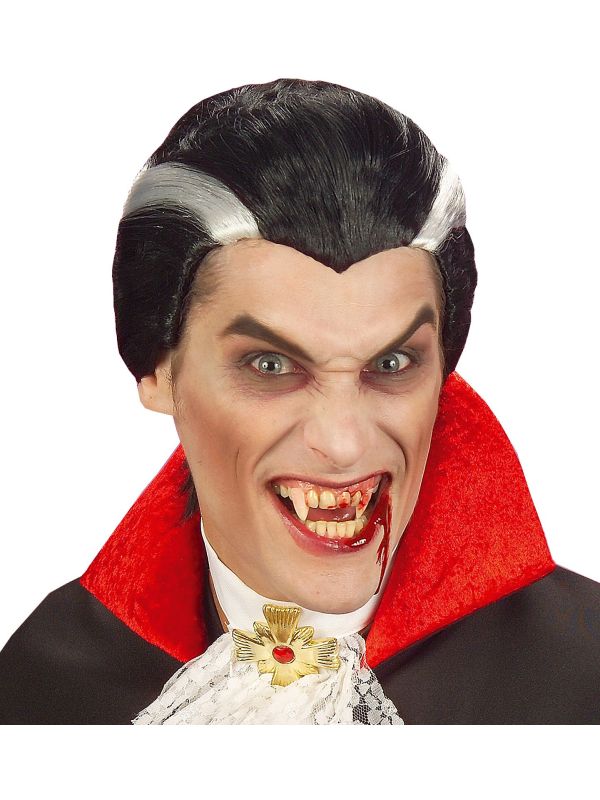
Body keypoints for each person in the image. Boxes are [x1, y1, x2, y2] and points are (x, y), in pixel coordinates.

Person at [0, 77, 598, 724]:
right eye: (270, 365)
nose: (342, 443)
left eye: (392, 363)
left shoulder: (579, 674)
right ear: (157, 370)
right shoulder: (46, 686)